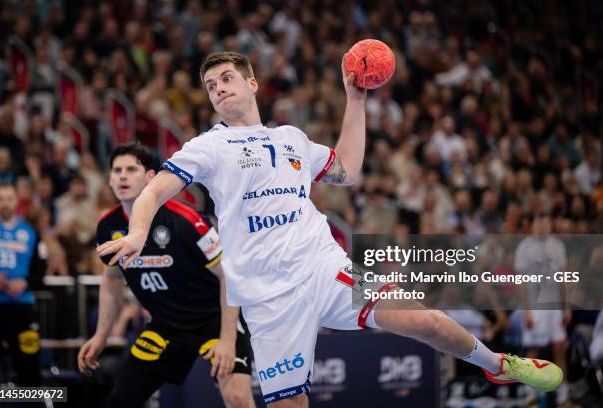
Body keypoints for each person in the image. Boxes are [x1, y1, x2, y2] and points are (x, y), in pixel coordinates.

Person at [98, 52, 564, 407]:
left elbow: (347, 168)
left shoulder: (291, 139)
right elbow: (153, 191)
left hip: (321, 268)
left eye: (227, 79)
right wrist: (138, 233)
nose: (218, 89)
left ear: (252, 83)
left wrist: (356, 98)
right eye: (210, 85)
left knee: (421, 318)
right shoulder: (208, 147)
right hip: (267, 301)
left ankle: (499, 365)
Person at [79, 143, 255, 408]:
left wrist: (227, 340)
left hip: (215, 322)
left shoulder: (187, 220)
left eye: (131, 169)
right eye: (116, 171)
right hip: (166, 328)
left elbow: (228, 276)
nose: (122, 176)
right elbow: (112, 280)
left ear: (151, 177)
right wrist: (101, 335)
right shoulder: (108, 226)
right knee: (120, 401)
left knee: (238, 398)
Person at [514, 211, 571, 406]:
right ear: (533, 224)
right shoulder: (524, 247)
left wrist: (567, 307)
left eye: (546, 221)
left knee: (559, 349)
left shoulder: (558, 245)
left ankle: (563, 396)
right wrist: (526, 310)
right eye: (539, 220)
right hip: (535, 305)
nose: (542, 224)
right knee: (533, 352)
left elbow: (563, 278)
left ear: (550, 224)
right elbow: (521, 282)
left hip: (554, 306)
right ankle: (531, 396)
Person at [0, 182, 44, 386]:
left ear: (17, 201)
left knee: (29, 367)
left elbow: (41, 273)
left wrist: (24, 282)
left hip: (21, 307)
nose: (5, 203)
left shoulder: (30, 232)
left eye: (9, 199)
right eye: (1, 199)